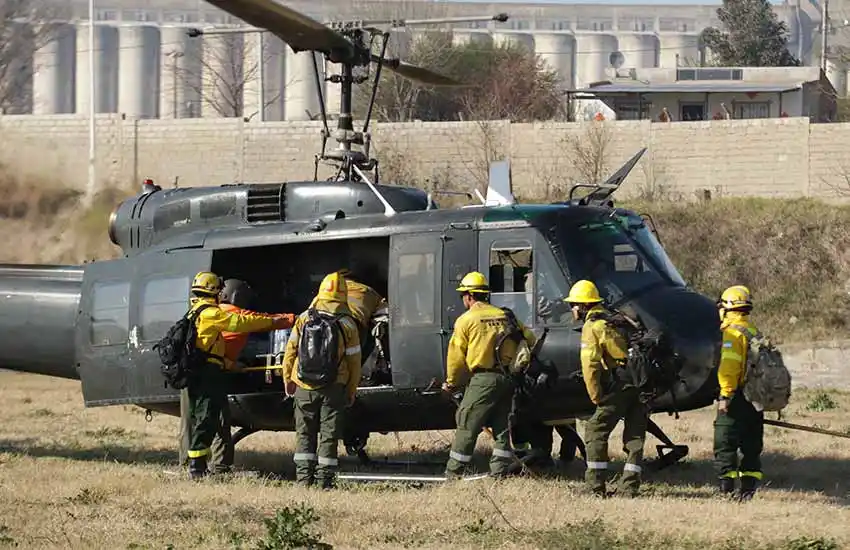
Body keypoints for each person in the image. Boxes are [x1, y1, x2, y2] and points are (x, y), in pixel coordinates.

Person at [177, 278, 294, 474]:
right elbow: (255, 321)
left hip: (190, 371)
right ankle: (215, 466)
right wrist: (293, 318)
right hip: (208, 374)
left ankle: (187, 464)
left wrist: (232, 364)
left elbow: (212, 349)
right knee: (216, 418)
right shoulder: (227, 313)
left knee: (190, 420)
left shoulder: (196, 312)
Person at [442, 271, 536, 479]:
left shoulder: (466, 320)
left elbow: (456, 358)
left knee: (467, 422)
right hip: (507, 379)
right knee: (502, 425)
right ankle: (499, 470)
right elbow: (531, 338)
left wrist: (451, 384)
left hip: (483, 379)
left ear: (469, 296)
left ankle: (454, 472)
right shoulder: (505, 315)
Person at [566, 279, 647, 497]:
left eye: (573, 304)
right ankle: (629, 487)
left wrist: (595, 395)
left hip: (619, 383)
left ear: (583, 306)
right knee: (635, 437)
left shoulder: (593, 326)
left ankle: (595, 487)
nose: (572, 309)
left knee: (595, 431)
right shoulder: (616, 319)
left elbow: (590, 364)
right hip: (642, 382)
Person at [283, 271, 362, 489]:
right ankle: (324, 481)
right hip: (333, 387)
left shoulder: (304, 318)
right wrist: (351, 389)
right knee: (329, 435)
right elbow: (354, 362)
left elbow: (290, 351)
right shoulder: (348, 324)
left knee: (304, 433)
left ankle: (302, 480)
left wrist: (288, 378)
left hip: (303, 385)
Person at [714, 285, 763, 501]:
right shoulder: (753, 331)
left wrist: (725, 396)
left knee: (725, 441)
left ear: (727, 309)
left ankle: (726, 490)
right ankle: (748, 491)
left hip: (738, 397)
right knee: (751, 444)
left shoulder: (732, 334)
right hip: (756, 396)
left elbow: (730, 368)